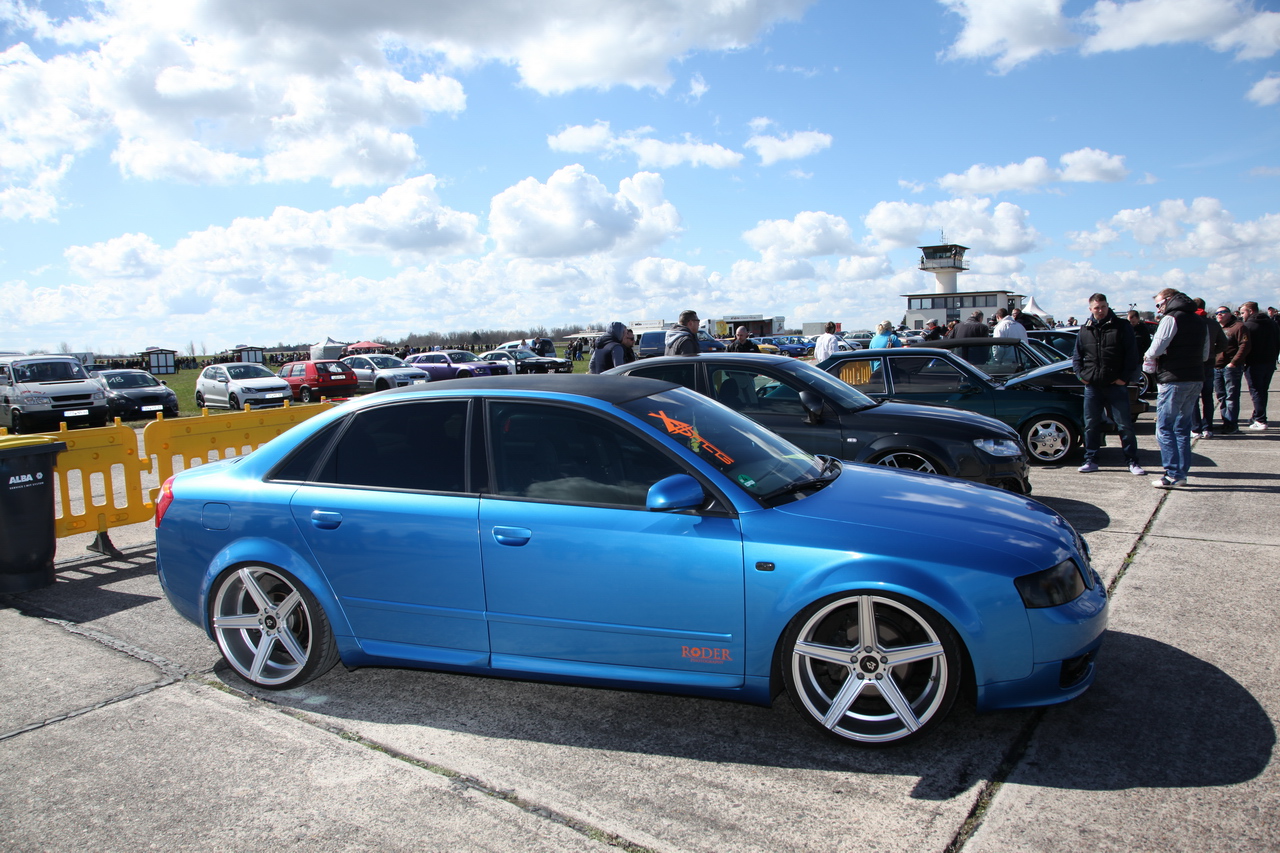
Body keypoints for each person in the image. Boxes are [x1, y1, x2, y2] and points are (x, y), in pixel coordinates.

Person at [1072, 293, 1145, 476]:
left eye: (1103, 306)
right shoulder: (1085, 329)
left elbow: (1132, 355)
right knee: (1091, 425)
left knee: (1124, 425)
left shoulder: (1121, 326)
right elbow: (1077, 356)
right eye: (1097, 307)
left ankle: (1132, 461)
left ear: (1108, 306)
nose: (1100, 310)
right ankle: (1091, 459)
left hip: (1116, 385)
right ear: (1090, 309)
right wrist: (1081, 376)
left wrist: (1123, 378)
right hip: (1093, 386)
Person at [1144, 288, 1209, 488]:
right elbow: (1205, 354)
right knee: (1182, 428)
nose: (1158, 308)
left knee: (1164, 427)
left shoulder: (1170, 319)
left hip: (1173, 379)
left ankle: (1172, 473)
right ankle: (1180, 473)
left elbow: (1155, 349)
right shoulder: (1200, 320)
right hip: (1195, 377)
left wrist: (1148, 356)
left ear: (1168, 300)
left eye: (1159, 304)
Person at [1191, 297, 1227, 438]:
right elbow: (1223, 343)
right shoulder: (1213, 324)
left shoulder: (1191, 322)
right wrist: (1212, 351)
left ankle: (1196, 428)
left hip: (1194, 363)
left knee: (1193, 397)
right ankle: (1208, 427)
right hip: (1210, 362)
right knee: (1207, 396)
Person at [1239, 301, 1279, 430]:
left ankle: (1261, 420)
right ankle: (1257, 415)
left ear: (1250, 311)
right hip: (1270, 362)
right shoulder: (1272, 324)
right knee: (1263, 391)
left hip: (1254, 363)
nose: (1241, 315)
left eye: (1243, 313)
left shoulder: (1248, 326)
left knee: (1256, 391)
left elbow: (1244, 346)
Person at [1214, 306, 1249, 435]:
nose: (1219, 314)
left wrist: (1234, 363)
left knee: (1231, 396)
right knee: (1221, 396)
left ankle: (1232, 424)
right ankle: (1226, 422)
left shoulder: (1239, 327)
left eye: (1222, 312)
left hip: (1231, 367)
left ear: (1229, 314)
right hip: (1217, 366)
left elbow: (1245, 345)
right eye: (1217, 313)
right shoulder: (1217, 327)